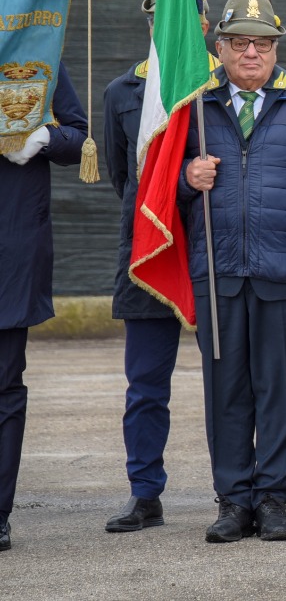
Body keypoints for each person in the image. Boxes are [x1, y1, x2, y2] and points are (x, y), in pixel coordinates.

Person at [180, 0, 286, 543]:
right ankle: (233, 500)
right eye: (239, 43)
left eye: (262, 43)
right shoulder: (194, 107)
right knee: (225, 390)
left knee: (279, 391)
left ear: (275, 49)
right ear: (220, 47)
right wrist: (189, 179)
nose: (251, 53)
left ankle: (273, 498)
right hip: (219, 272)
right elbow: (155, 194)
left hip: (284, 273)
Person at [101, 0, 208, 533]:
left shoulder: (220, 89)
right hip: (147, 254)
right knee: (145, 386)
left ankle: (240, 490)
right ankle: (146, 493)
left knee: (235, 381)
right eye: (160, 18)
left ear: (204, 26)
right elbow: (126, 179)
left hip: (215, 253)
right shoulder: (122, 91)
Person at [0, 68, 87, 553]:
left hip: (10, 249)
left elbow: (78, 139)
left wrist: (41, 137)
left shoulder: (38, 57)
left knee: (4, 387)